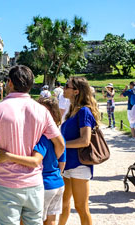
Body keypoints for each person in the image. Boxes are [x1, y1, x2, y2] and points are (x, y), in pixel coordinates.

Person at [0, 65, 65, 225]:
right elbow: (59, 143)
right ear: (31, 85)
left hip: (6, 183)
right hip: (34, 183)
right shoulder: (42, 111)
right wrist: (57, 165)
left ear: (9, 83)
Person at [58, 77, 100, 225]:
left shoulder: (84, 112)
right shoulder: (71, 112)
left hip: (79, 165)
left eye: (66, 86)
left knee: (81, 207)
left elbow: (85, 140)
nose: (63, 88)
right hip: (66, 164)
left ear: (76, 91)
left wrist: (61, 145)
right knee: (63, 205)